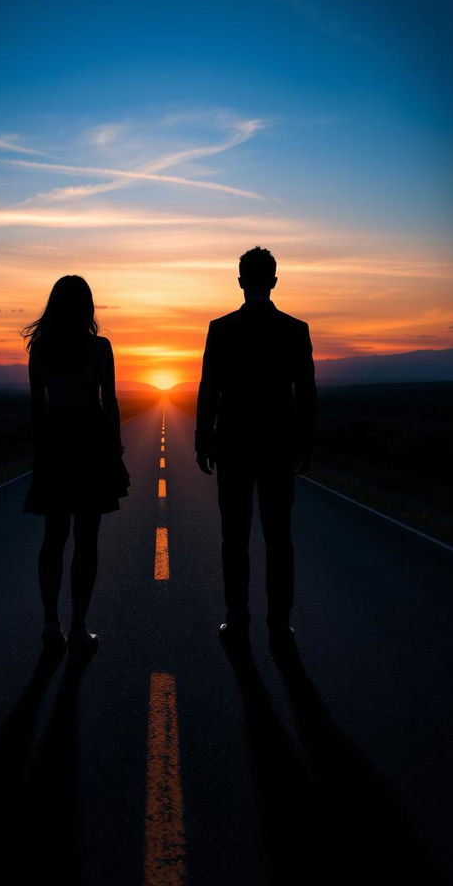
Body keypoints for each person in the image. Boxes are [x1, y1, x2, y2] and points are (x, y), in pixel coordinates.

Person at [195, 247, 316, 649]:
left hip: (234, 444)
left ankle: (238, 620)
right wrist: (306, 442)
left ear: (242, 280)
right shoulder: (295, 330)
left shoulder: (222, 328)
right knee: (279, 537)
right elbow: (306, 392)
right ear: (274, 281)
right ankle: (279, 625)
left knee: (235, 537)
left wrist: (203, 439)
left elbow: (208, 388)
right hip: (279, 445)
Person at [22, 276, 129, 649]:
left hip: (55, 439)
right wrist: (115, 447)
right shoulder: (100, 348)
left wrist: (39, 452)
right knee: (86, 538)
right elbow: (110, 401)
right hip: (90, 439)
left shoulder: (41, 348)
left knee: (53, 537)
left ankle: (51, 623)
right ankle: (80, 627)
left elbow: (37, 405)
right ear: (88, 307)